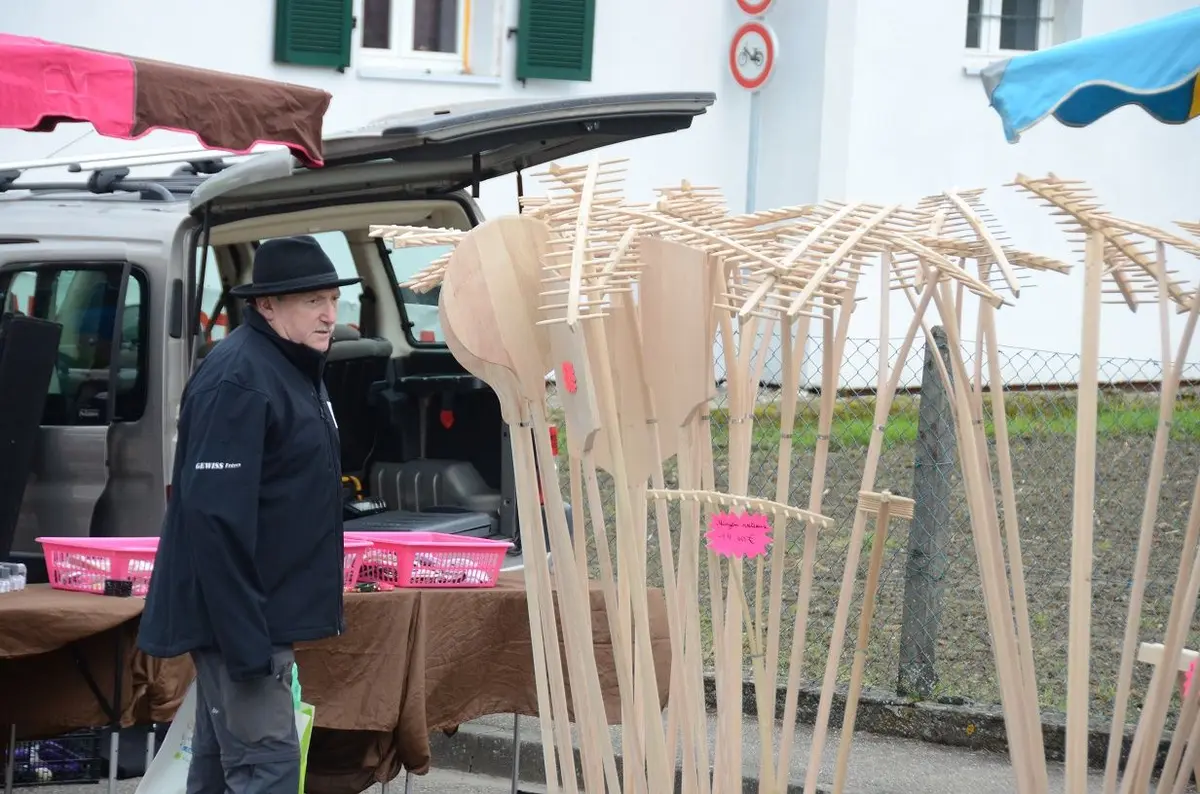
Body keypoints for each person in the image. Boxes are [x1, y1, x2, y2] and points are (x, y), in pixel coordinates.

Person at [138, 236, 360, 794]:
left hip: (258, 614)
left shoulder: (291, 366)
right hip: (240, 621)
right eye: (311, 300)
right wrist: (247, 644)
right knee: (268, 769)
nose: (329, 314)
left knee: (218, 769)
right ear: (267, 305)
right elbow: (214, 521)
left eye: (332, 298)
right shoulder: (239, 378)